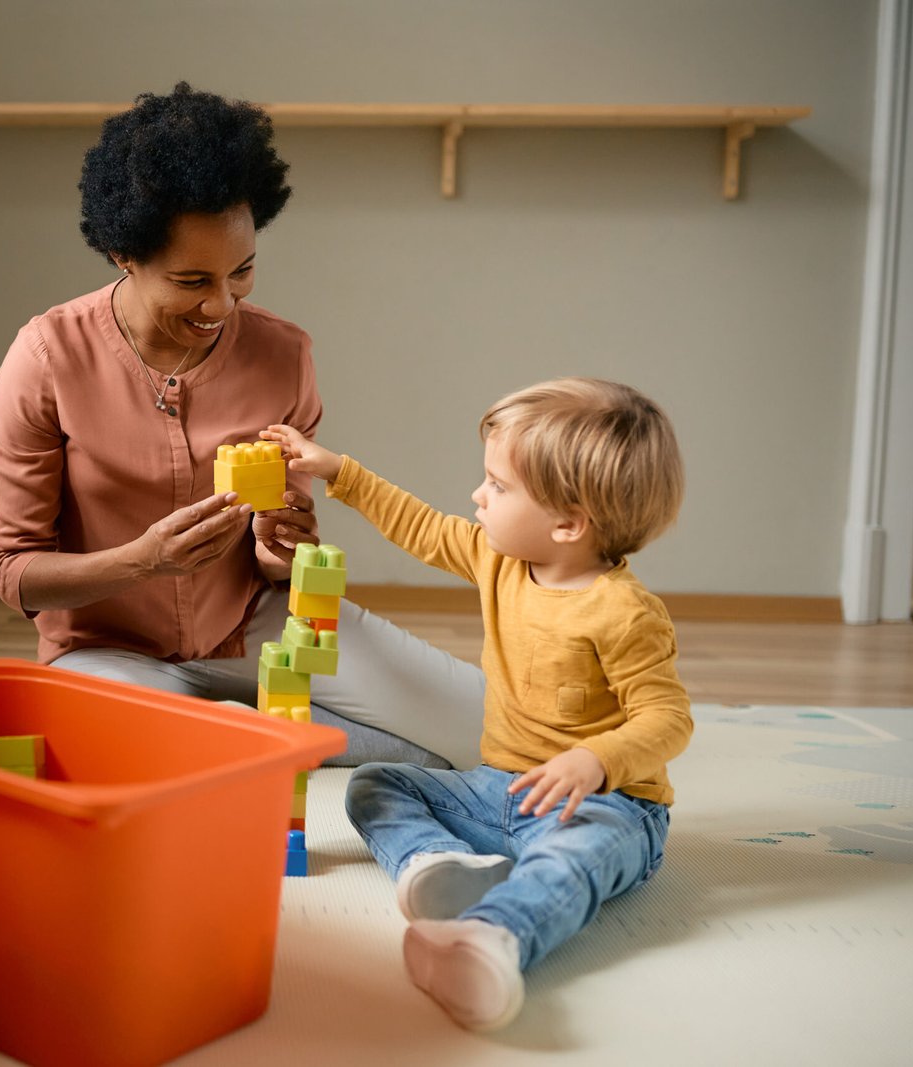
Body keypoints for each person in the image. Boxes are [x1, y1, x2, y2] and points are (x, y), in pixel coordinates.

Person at [0, 81, 485, 768]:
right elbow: (16, 573)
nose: (222, 303)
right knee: (133, 750)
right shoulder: (45, 358)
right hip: (106, 653)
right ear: (124, 255)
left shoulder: (284, 354)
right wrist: (143, 561)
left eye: (242, 271)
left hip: (257, 628)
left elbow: (279, 561)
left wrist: (283, 548)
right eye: (192, 281)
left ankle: (257, 733)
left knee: (488, 727)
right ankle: (274, 736)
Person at [261, 376, 693, 1032]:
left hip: (607, 803)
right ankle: (435, 863)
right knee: (376, 786)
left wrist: (596, 761)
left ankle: (494, 939)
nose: (476, 495)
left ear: (569, 523)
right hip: (499, 790)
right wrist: (336, 470)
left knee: (575, 858)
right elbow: (420, 525)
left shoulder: (625, 613)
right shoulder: (498, 558)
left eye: (497, 485)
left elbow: (669, 718)